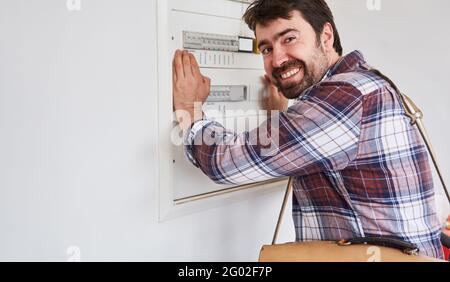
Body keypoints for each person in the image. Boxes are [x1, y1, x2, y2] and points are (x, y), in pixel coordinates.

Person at [171, 0, 443, 258]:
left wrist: (190, 113)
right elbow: (314, 150)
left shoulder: (346, 98)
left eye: (289, 39)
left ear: (326, 36)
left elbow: (226, 164)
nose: (277, 60)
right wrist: (282, 115)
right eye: (266, 48)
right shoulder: (365, 83)